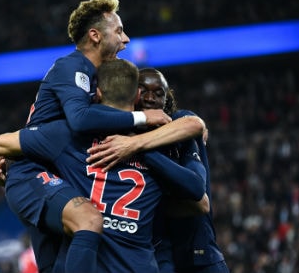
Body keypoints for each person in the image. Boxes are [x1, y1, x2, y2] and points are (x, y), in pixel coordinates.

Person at [0, 0, 172, 272]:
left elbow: (48, 120)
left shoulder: (95, 76)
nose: (126, 40)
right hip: (34, 172)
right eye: (119, 31)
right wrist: (142, 116)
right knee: (89, 219)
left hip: (57, 169)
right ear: (95, 35)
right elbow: (78, 119)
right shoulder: (72, 66)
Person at [0, 58, 209, 272]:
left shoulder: (68, 136)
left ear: (98, 93)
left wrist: (11, 174)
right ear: (137, 96)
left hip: (86, 260)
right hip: (137, 264)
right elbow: (198, 198)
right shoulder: (158, 144)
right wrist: (142, 149)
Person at [87, 68, 230, 273]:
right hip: (155, 257)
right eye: (143, 90)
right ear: (133, 94)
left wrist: (138, 148)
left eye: (158, 93)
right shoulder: (115, 138)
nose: (150, 98)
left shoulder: (177, 126)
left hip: (198, 257)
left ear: (167, 99)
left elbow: (199, 198)